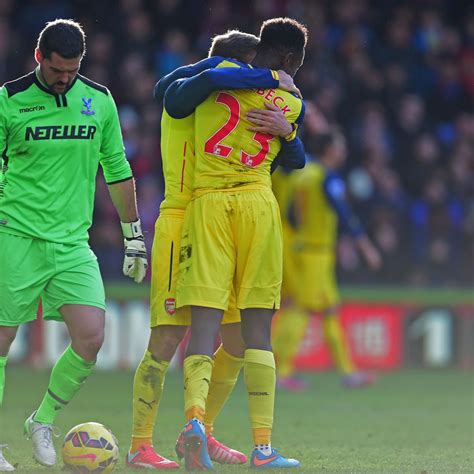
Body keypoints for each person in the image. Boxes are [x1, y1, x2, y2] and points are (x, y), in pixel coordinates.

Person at [128, 30, 305, 469]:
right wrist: (263, 75)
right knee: (168, 337)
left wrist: (288, 127)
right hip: (183, 218)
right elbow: (164, 89)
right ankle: (140, 443)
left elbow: (289, 157)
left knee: (239, 339)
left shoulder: (233, 96)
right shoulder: (197, 89)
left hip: (221, 220)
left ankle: (200, 431)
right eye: (249, 72)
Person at [0, 19, 147, 471]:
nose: (65, 77)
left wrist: (133, 234)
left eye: (73, 69)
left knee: (91, 337)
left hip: (71, 243)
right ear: (39, 57)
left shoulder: (98, 101)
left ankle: (41, 421)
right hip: (16, 236)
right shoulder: (8, 101)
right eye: (58, 69)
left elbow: (117, 170)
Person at [272, 129, 382, 390]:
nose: (344, 151)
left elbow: (289, 212)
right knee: (301, 308)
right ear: (330, 150)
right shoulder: (326, 177)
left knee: (330, 310)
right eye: (340, 146)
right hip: (314, 253)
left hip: (307, 249)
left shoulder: (303, 173)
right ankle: (280, 372)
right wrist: (365, 245)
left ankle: (348, 372)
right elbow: (343, 212)